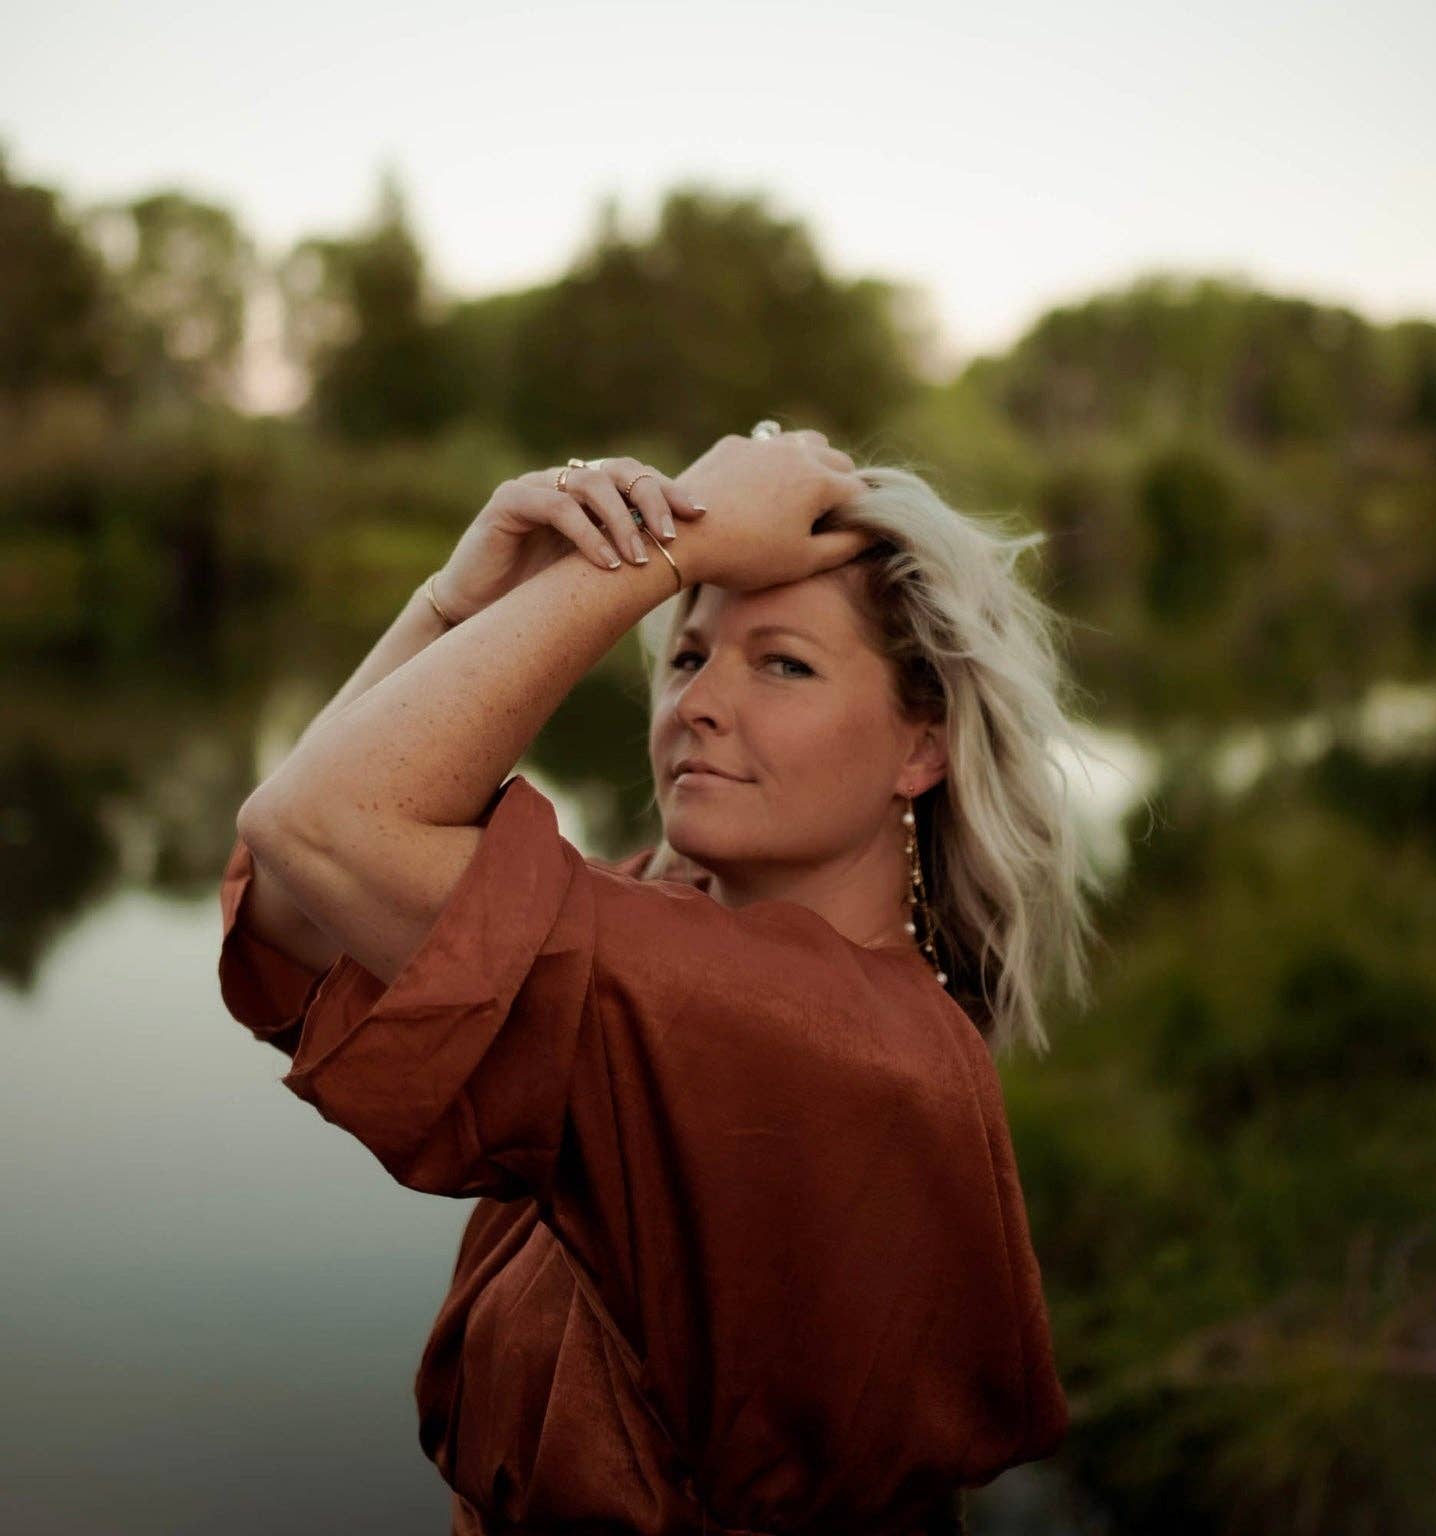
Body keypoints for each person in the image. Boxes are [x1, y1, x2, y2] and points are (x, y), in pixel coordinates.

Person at [217, 423, 1107, 1535]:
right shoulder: (665, 931)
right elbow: (294, 898)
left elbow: (323, 821)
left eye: (783, 662)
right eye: (687, 655)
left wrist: (660, 555)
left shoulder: (801, 1032)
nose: (699, 704)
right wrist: (462, 603)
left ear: (920, 748)